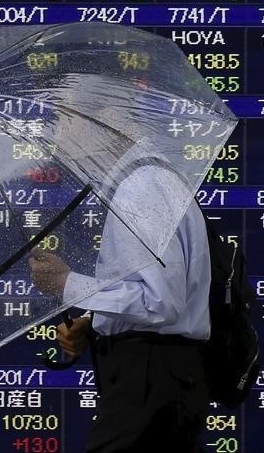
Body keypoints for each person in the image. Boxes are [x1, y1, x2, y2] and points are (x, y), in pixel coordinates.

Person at [28, 152, 211, 453]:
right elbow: (162, 291)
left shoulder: (141, 186)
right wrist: (95, 324)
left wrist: (67, 283)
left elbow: (161, 302)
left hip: (149, 377)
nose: (56, 128)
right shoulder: (148, 179)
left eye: (63, 114)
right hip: (160, 376)